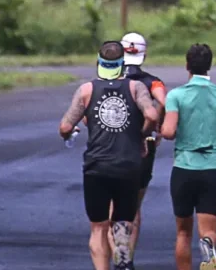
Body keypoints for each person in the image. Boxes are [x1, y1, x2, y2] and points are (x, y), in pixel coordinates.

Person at [60, 41, 163, 270]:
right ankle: (123, 255)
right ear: (122, 64)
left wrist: (74, 130)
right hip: (129, 165)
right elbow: (153, 114)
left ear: (99, 62)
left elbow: (65, 127)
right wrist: (141, 135)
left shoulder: (87, 90)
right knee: (124, 221)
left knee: (98, 226)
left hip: (97, 166)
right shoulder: (136, 88)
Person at [162, 43, 216, 270]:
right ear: (210, 66)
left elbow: (168, 131)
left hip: (183, 168)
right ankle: (208, 245)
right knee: (208, 230)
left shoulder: (176, 95)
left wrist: (179, 128)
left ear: (187, 65)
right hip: (210, 169)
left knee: (183, 232)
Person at [122, 31, 169, 266]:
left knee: (115, 205)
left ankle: (118, 256)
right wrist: (155, 125)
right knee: (134, 206)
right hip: (143, 145)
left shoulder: (110, 79)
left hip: (114, 146)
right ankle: (128, 257)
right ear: (144, 54)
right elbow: (163, 101)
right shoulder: (153, 82)